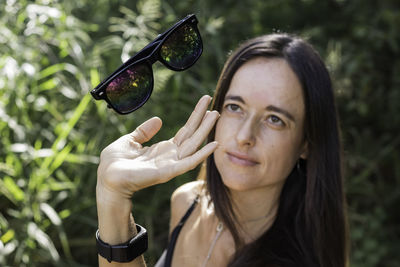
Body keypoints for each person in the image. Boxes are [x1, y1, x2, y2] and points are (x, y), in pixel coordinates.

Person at [95, 33, 349, 267]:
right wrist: (112, 195)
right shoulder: (187, 202)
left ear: (307, 143)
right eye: (235, 107)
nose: (244, 137)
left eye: (275, 119)